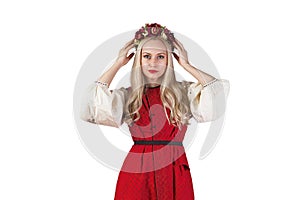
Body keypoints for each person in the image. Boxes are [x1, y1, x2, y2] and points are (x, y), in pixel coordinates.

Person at [80, 23, 230, 199]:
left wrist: (187, 66)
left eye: (160, 56)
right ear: (139, 60)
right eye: (146, 56)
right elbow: (92, 103)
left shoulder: (184, 93)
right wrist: (118, 63)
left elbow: (216, 92)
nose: (153, 62)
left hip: (175, 170)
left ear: (169, 60)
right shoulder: (129, 96)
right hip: (138, 173)